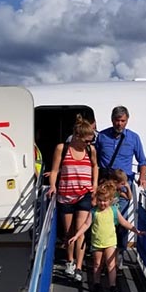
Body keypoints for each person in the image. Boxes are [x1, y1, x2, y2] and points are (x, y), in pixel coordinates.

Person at [48, 115, 98, 282]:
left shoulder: (90, 150)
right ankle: (69, 261)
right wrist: (53, 185)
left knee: (80, 230)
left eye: (90, 141)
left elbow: (95, 166)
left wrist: (95, 185)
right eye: (86, 141)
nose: (88, 144)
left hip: (84, 193)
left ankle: (78, 266)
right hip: (65, 195)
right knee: (69, 231)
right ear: (77, 136)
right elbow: (55, 170)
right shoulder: (62, 149)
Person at [70, 183, 144, 292]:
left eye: (105, 201)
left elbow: (124, 222)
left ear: (110, 200)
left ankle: (113, 286)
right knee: (97, 264)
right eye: (100, 200)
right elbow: (86, 224)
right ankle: (96, 284)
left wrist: (136, 231)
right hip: (97, 242)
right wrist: (77, 235)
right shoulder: (93, 211)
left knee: (111, 265)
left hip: (110, 242)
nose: (102, 203)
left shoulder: (114, 211)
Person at [95, 106, 146, 266]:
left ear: (127, 120)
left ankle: (119, 253)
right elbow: (94, 160)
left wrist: (143, 177)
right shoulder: (102, 136)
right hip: (105, 185)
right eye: (117, 120)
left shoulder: (133, 138)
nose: (119, 123)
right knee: (103, 219)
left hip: (123, 187)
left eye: (122, 121)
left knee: (120, 221)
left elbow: (142, 161)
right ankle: (102, 254)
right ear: (112, 120)